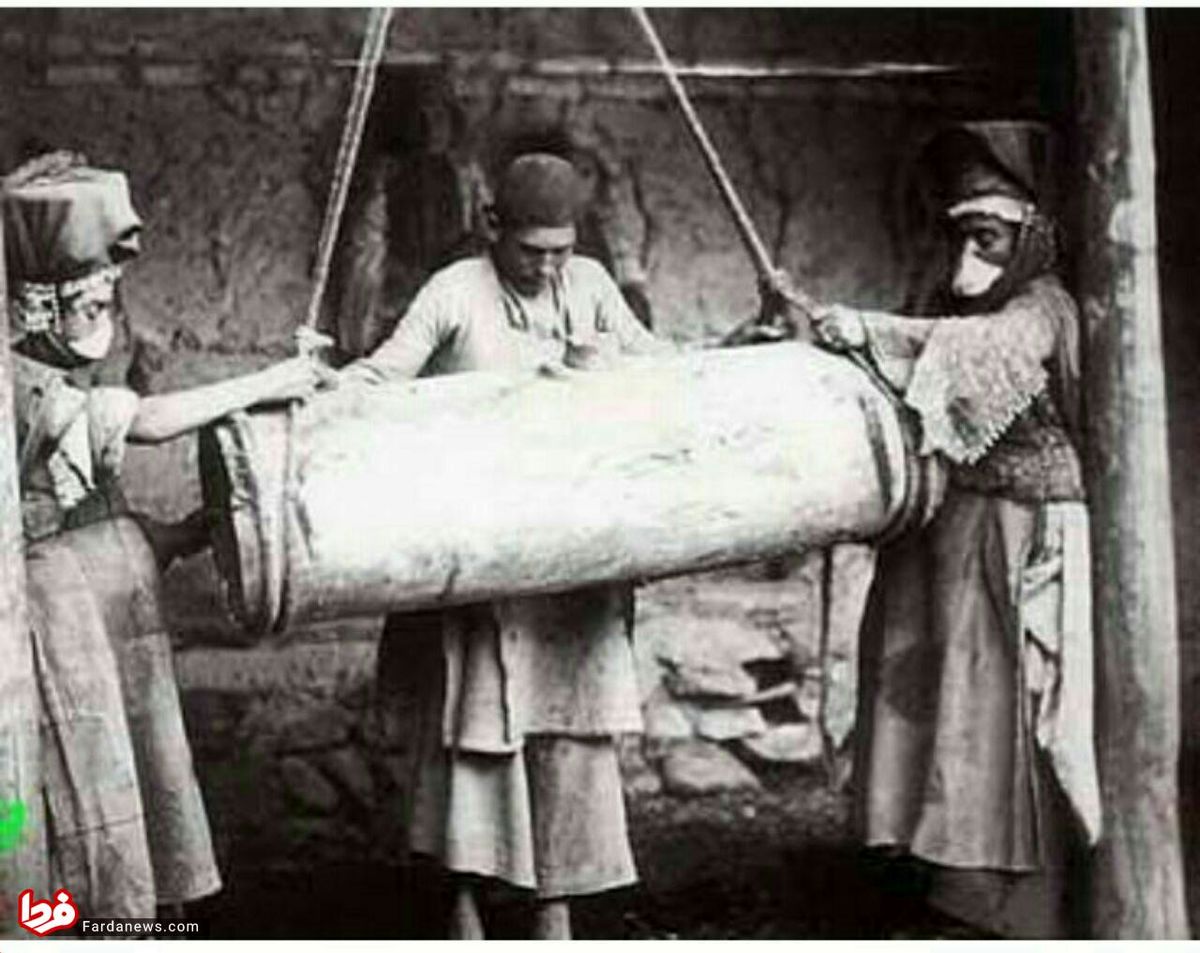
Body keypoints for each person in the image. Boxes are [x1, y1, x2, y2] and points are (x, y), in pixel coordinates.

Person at [0, 151, 332, 929]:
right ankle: (42, 918)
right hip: (51, 635)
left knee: (126, 785)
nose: (102, 318)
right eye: (90, 304)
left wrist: (180, 533)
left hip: (102, 626)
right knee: (54, 796)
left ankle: (113, 921)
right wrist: (269, 380)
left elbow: (85, 504)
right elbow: (141, 425)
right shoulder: (20, 383)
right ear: (41, 305)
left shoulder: (54, 378)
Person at [342, 152, 668, 939]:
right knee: (475, 731)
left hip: (573, 557)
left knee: (570, 726)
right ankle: (463, 901)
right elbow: (383, 375)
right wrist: (321, 384)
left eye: (561, 249)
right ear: (493, 226)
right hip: (484, 559)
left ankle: (555, 901)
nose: (548, 268)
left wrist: (746, 346)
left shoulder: (590, 284)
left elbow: (659, 366)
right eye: (531, 251)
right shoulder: (455, 291)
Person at [805, 122, 1099, 938]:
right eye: (962, 236)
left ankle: (1001, 898)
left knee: (995, 701)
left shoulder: (1041, 309)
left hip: (1018, 533)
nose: (969, 255)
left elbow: (975, 354)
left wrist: (870, 327)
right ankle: (933, 869)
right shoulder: (954, 307)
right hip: (952, 530)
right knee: (930, 692)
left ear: (1030, 236)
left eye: (988, 238)